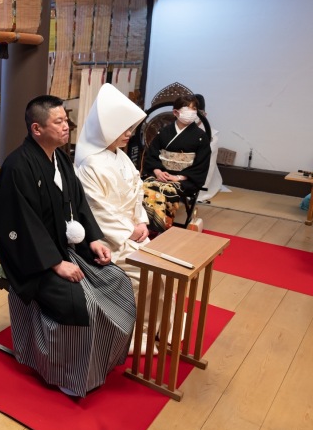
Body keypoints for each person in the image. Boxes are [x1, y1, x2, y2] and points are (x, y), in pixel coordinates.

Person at [0, 94, 135, 398]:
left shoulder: (61, 159)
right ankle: (63, 372)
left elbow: (79, 205)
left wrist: (95, 238)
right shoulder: (18, 167)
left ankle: (100, 363)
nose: (67, 126)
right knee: (81, 303)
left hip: (65, 247)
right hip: (32, 257)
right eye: (58, 121)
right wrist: (54, 263)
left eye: (66, 120)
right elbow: (18, 225)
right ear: (36, 129)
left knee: (117, 281)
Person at [75, 84, 161, 353]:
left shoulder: (121, 157)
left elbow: (136, 194)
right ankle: (132, 334)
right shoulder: (90, 163)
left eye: (130, 129)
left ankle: (156, 327)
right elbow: (96, 210)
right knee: (142, 274)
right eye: (123, 129)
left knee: (164, 266)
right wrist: (128, 231)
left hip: (132, 232)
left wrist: (142, 222)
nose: (128, 135)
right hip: (106, 241)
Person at [142, 94, 211, 232]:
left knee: (167, 189)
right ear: (175, 112)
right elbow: (152, 154)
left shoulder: (200, 136)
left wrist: (178, 177)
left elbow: (201, 164)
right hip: (161, 172)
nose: (191, 112)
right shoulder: (164, 132)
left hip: (184, 178)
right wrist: (157, 171)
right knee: (146, 186)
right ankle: (144, 224)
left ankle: (161, 227)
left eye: (194, 109)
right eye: (187, 109)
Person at [193, 94, 223, 202]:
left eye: (196, 112)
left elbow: (208, 166)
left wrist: (199, 191)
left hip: (200, 176)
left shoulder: (211, 136)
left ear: (204, 114)